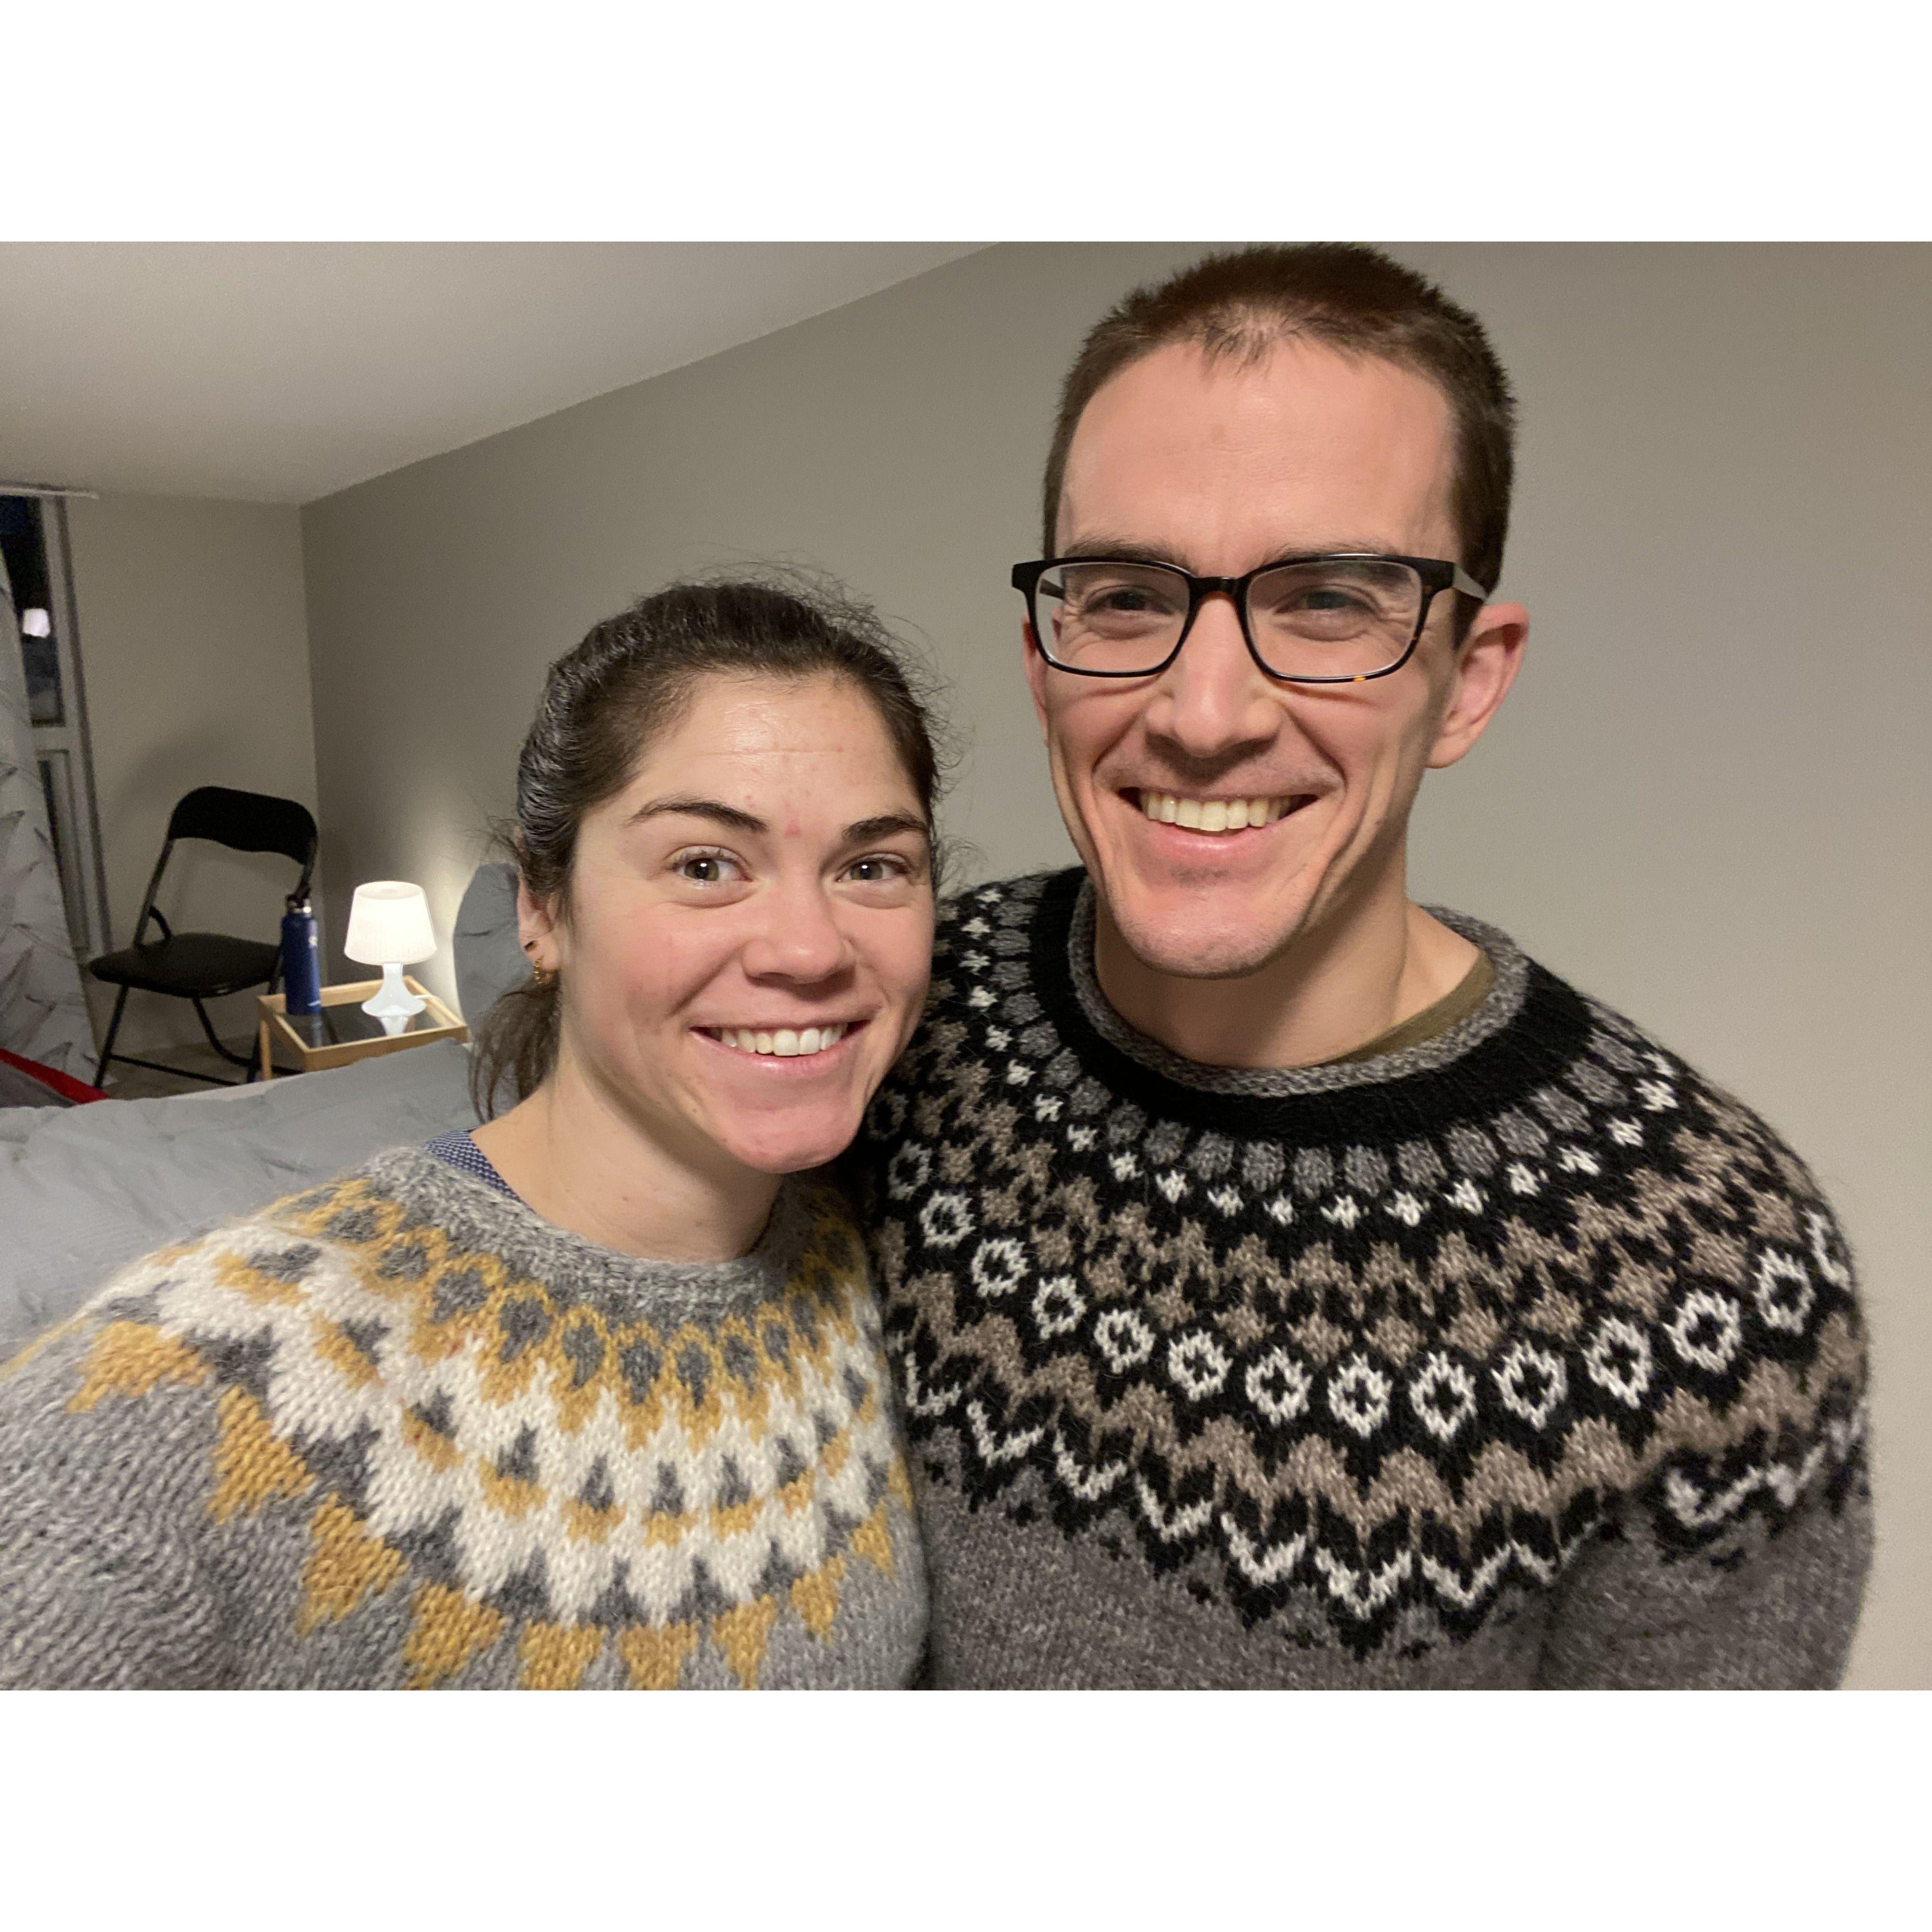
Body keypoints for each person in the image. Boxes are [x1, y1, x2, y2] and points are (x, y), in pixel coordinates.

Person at [856, 245, 1873, 1688]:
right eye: (1128, 597)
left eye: (1330, 600)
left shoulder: (1711, 1275)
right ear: (1043, 660)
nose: (1204, 713)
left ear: (1469, 677)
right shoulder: (887, 1019)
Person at [0, 577, 940, 1689]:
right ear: (542, 910)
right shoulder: (173, 1401)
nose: (808, 949)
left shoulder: (892, 1272)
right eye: (704, 865)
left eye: (873, 866)